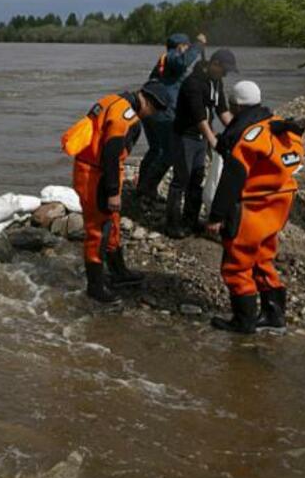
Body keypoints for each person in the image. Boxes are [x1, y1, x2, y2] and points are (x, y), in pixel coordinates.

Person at [207, 81, 305, 333]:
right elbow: (295, 162)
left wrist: (216, 216)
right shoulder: (281, 127)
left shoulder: (249, 136)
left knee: (237, 263)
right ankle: (274, 316)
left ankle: (244, 321)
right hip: (280, 204)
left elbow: (232, 178)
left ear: (236, 106)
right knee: (263, 256)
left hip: (253, 206)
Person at [71, 81, 169, 303]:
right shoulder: (125, 115)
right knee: (98, 230)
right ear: (147, 102)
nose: (152, 116)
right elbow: (111, 154)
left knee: (112, 223)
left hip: (93, 170)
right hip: (95, 176)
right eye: (154, 111)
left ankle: (119, 272)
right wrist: (113, 191)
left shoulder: (112, 100)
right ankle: (95, 287)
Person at [165, 49, 236, 239]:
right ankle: (171, 223)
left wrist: (240, 130)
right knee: (181, 179)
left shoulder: (216, 82)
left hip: (200, 138)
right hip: (185, 137)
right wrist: (214, 141)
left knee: (197, 178)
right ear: (215, 64)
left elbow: (222, 111)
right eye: (225, 70)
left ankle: (190, 220)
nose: (226, 74)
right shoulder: (192, 83)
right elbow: (199, 117)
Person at [137, 33, 206, 201]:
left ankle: (142, 185)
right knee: (169, 152)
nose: (188, 50)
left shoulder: (163, 62)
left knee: (155, 149)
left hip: (148, 110)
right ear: (180, 46)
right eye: (187, 47)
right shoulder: (173, 57)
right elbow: (183, 63)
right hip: (162, 112)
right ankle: (149, 187)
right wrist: (198, 45)